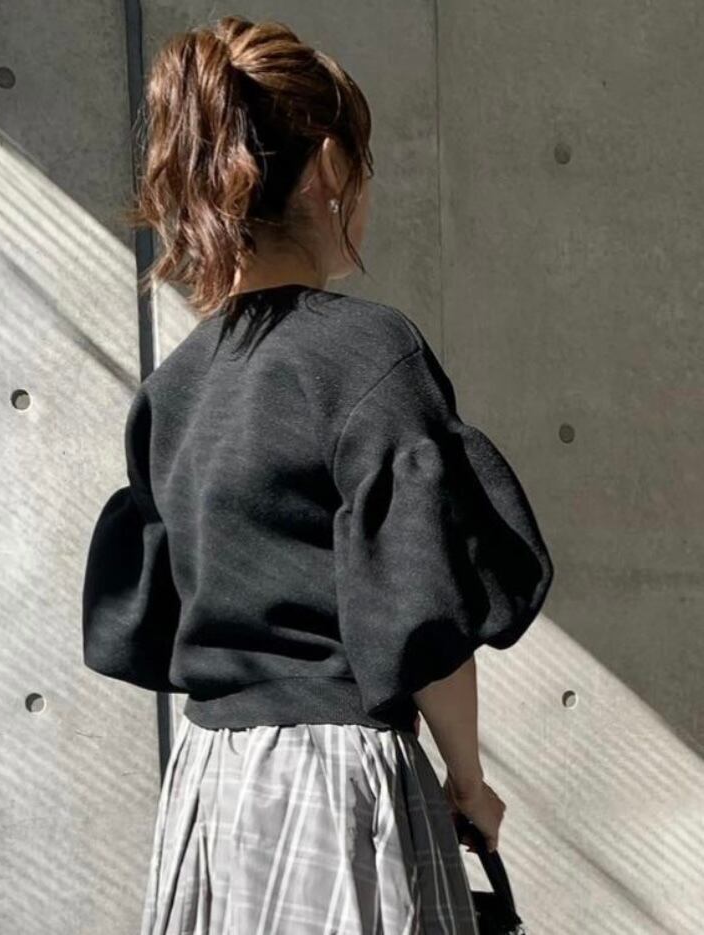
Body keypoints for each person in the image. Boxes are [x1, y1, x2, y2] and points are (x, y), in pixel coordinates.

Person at [81, 15, 553, 934]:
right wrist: (465, 779)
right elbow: (420, 609)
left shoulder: (174, 387)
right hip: (337, 786)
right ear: (330, 168)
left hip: (210, 788)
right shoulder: (367, 353)